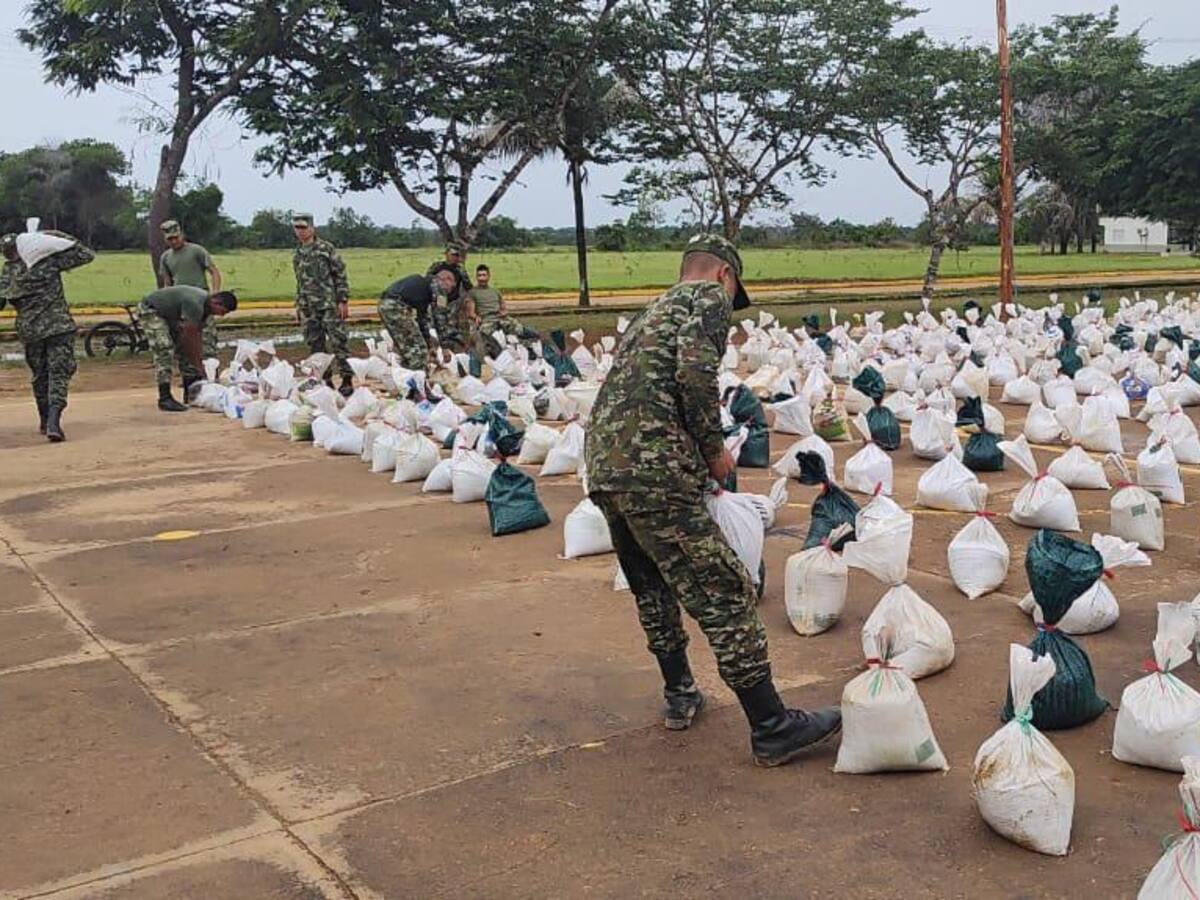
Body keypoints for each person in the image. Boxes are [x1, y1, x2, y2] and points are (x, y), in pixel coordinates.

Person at [584, 233, 841, 768]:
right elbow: (695, 376)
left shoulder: (652, 311)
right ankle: (772, 726)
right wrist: (714, 452)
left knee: (651, 584)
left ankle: (680, 695)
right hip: (657, 474)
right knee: (721, 586)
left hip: (609, 470)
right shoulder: (704, 299)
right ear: (724, 275)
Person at [0, 230, 94, 442]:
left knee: (40, 376)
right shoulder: (47, 261)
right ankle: (53, 421)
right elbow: (85, 254)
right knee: (59, 374)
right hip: (58, 326)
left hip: (30, 331)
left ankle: (44, 420)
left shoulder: (8, 272)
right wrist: (55, 235)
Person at [137, 284, 237, 411]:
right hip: (152, 310)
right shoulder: (195, 303)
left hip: (171, 314)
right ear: (215, 302)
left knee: (184, 349)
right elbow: (190, 337)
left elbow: (197, 337)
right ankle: (165, 398)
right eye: (222, 311)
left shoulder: (205, 310)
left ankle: (191, 392)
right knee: (164, 348)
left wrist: (200, 362)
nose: (221, 315)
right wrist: (199, 365)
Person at [292, 213, 353, 395]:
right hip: (308, 306)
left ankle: (347, 379)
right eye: (297, 228)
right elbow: (300, 282)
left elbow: (339, 274)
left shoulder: (326, 249)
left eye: (303, 227)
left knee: (338, 342)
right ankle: (325, 381)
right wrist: (298, 305)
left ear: (312, 228)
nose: (300, 232)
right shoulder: (298, 254)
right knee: (315, 345)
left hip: (329, 304)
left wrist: (342, 300)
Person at [158, 220, 223, 359]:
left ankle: (211, 370)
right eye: (170, 239)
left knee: (208, 340)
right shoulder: (165, 257)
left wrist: (215, 293)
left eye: (176, 237)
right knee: (186, 342)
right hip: (182, 305)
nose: (174, 241)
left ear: (182, 235)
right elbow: (167, 283)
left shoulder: (197, 251)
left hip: (201, 301)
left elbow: (214, 272)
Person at [378, 269, 457, 370]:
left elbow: (422, 319)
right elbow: (440, 318)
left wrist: (429, 344)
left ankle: (407, 372)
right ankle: (419, 377)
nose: (450, 291)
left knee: (407, 348)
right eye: (452, 286)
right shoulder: (438, 288)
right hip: (395, 307)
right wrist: (445, 347)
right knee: (418, 350)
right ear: (446, 279)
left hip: (386, 305)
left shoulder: (425, 287)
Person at [464, 264, 537, 358]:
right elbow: (470, 313)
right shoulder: (473, 293)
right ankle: (496, 355)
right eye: (479, 275)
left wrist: (504, 313)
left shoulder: (495, 291)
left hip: (500, 318)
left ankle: (530, 352)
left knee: (524, 331)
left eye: (484, 275)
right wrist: (476, 317)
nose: (481, 278)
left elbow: (504, 308)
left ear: (489, 276)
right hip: (486, 320)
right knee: (488, 337)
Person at [426, 241, 472, 350]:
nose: (456, 258)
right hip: (438, 299)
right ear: (446, 254)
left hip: (453, 301)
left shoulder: (460, 270)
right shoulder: (436, 266)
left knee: (450, 325)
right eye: (453, 255)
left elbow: (468, 286)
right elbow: (427, 281)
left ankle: (452, 347)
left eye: (457, 255)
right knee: (434, 323)